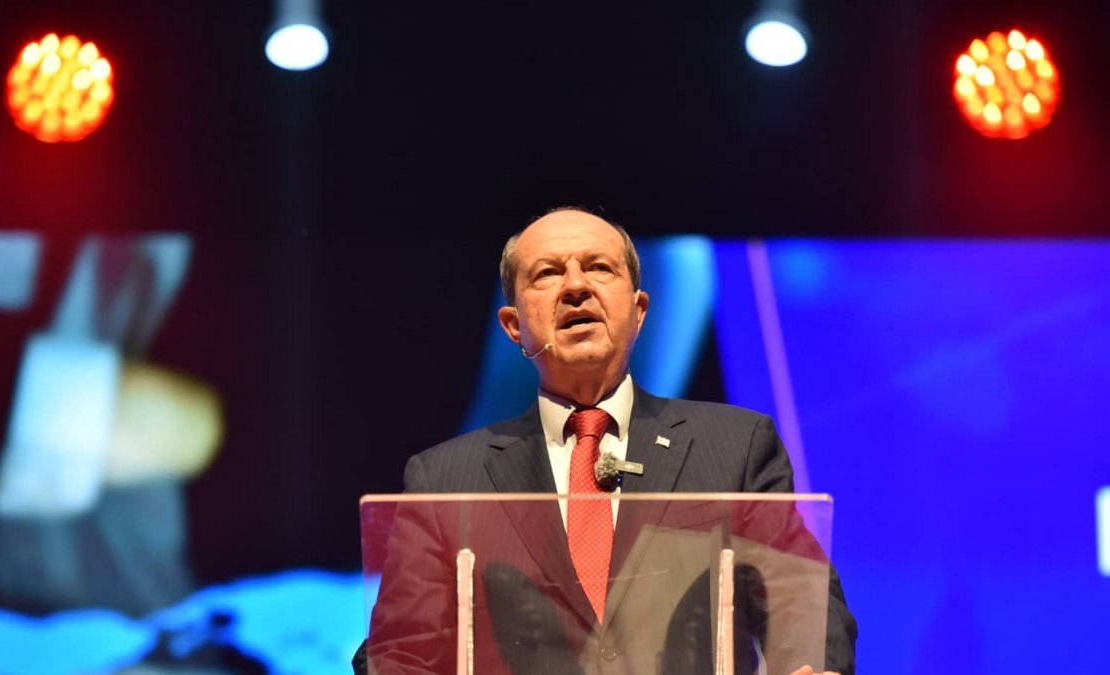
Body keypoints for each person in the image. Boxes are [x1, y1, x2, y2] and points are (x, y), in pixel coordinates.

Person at [359, 207, 857, 675]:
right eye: (548, 273)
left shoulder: (738, 447)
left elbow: (802, 598)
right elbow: (399, 647)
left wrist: (808, 663)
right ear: (513, 326)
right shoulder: (446, 480)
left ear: (639, 310)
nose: (576, 286)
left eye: (599, 268)